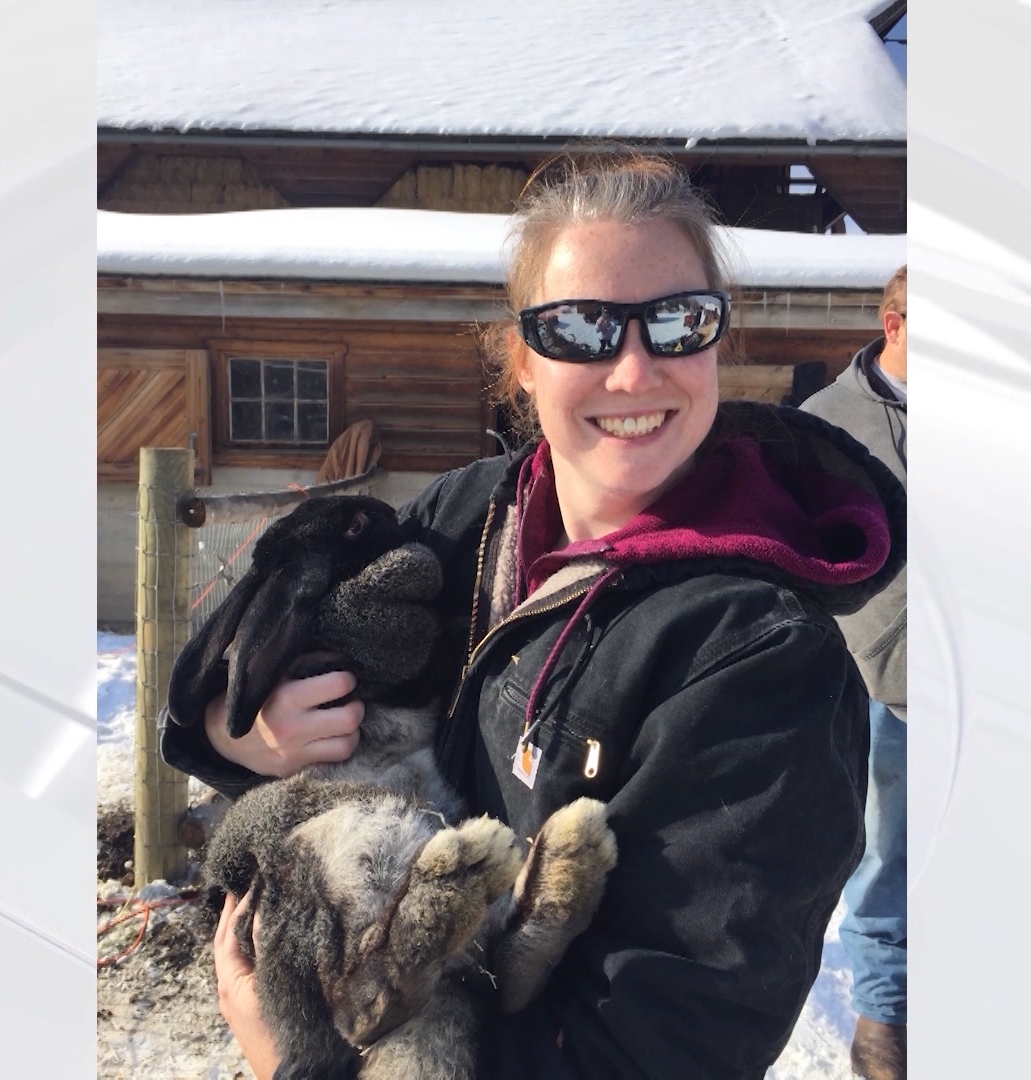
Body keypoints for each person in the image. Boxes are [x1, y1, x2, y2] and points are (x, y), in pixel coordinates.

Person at [163, 151, 906, 1079]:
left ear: (718, 338)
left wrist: (304, 1059)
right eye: (582, 327)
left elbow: (655, 1050)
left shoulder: (758, 653)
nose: (635, 372)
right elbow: (237, 652)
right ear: (521, 358)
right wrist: (240, 732)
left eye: (678, 321)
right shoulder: (464, 516)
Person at [800, 266, 908, 1080]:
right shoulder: (827, 426)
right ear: (894, 322)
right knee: (886, 864)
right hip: (879, 688)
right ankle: (884, 1025)